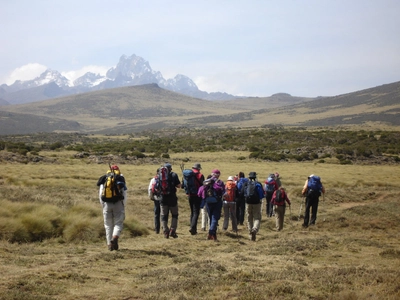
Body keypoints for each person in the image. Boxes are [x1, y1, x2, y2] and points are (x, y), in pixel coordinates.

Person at [96, 165, 127, 251]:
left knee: (108, 225)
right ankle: (114, 238)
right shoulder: (120, 178)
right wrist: (123, 205)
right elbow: (124, 194)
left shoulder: (105, 178)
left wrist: (103, 204)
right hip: (118, 204)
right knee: (118, 223)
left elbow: (100, 194)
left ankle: (109, 244)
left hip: (106, 204)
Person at [198, 169, 225, 241]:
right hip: (217, 202)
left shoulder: (206, 182)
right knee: (215, 218)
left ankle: (214, 235)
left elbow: (200, 192)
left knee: (211, 218)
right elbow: (223, 192)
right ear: (218, 175)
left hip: (208, 202)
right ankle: (211, 232)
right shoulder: (219, 182)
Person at [159, 163, 181, 238]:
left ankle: (165, 231)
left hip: (163, 198)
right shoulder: (174, 175)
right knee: (174, 214)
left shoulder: (159, 176)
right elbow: (178, 186)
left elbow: (156, 187)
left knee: (164, 216)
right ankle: (172, 230)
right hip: (172, 198)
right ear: (170, 169)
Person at [185, 163, 205, 235]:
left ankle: (192, 227)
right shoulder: (200, 175)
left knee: (192, 212)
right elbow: (203, 186)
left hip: (190, 194)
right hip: (197, 195)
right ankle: (193, 229)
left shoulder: (187, 175)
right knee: (196, 212)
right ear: (199, 168)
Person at [244, 172, 264, 241]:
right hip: (256, 203)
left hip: (248, 203)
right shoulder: (258, 184)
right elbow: (261, 195)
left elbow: (243, 192)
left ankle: (250, 233)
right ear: (255, 177)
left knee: (249, 218)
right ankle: (254, 229)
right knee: (257, 218)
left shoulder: (246, 184)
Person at [148, 168, 161, 234]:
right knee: (164, 214)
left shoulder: (153, 180)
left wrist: (152, 198)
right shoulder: (166, 179)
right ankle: (165, 229)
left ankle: (157, 229)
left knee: (157, 214)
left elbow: (150, 190)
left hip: (156, 198)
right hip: (164, 198)